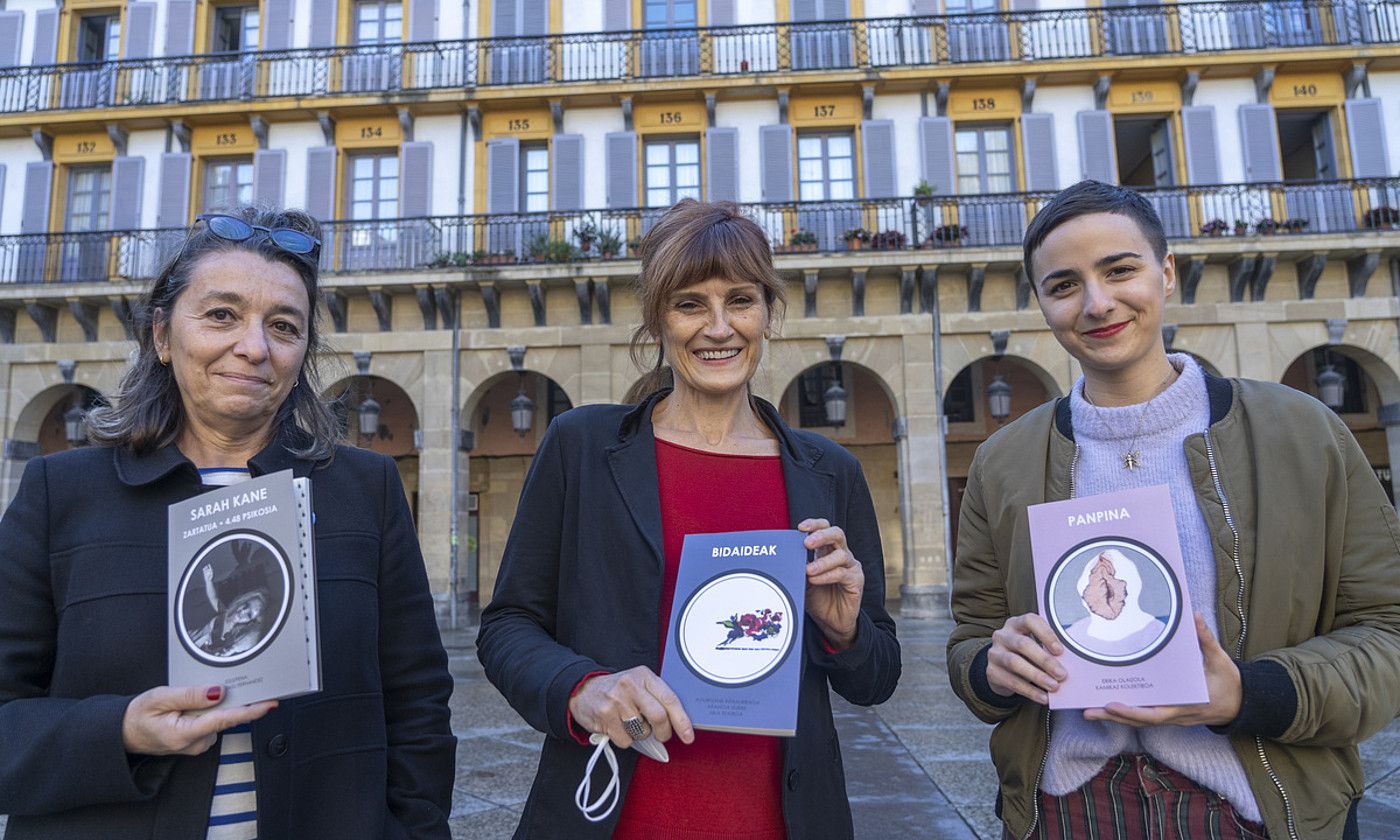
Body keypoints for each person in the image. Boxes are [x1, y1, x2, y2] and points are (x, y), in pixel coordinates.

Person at [947, 180, 1400, 840]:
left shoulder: (1303, 432)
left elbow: (1386, 628)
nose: (1098, 303)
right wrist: (994, 668)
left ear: (1166, 272)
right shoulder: (1003, 461)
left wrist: (1247, 693)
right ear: (1041, 303)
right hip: (1071, 810)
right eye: (1064, 284)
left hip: (1257, 810)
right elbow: (971, 637)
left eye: (1119, 270)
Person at [0, 208, 456, 838]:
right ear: (162, 335)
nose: (254, 346)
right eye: (221, 315)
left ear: (303, 352)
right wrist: (122, 730)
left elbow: (419, 704)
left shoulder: (364, 491)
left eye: (284, 326)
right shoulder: (62, 493)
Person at [477, 199, 901, 839]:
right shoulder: (582, 448)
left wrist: (843, 631)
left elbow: (877, 676)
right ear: (658, 319)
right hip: (615, 817)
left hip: (776, 820)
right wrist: (583, 690)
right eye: (690, 304)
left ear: (767, 311)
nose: (719, 327)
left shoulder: (827, 471)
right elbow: (508, 626)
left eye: (740, 300)